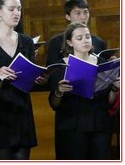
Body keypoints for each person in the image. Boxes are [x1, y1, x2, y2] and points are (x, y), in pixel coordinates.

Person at [0, 0, 45, 159]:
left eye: (19, 9)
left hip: (21, 111)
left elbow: (29, 76)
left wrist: (38, 78)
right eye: (12, 9)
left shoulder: (27, 41)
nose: (17, 13)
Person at [48, 23, 119, 159]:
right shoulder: (60, 67)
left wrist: (114, 88)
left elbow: (109, 102)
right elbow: (54, 104)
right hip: (72, 126)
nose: (85, 40)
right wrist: (59, 91)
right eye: (79, 38)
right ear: (70, 42)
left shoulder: (102, 63)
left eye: (87, 36)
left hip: (99, 124)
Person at [46, 0, 107, 66]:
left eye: (86, 12)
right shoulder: (55, 42)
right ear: (68, 17)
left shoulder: (99, 42)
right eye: (78, 13)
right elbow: (51, 71)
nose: (83, 17)